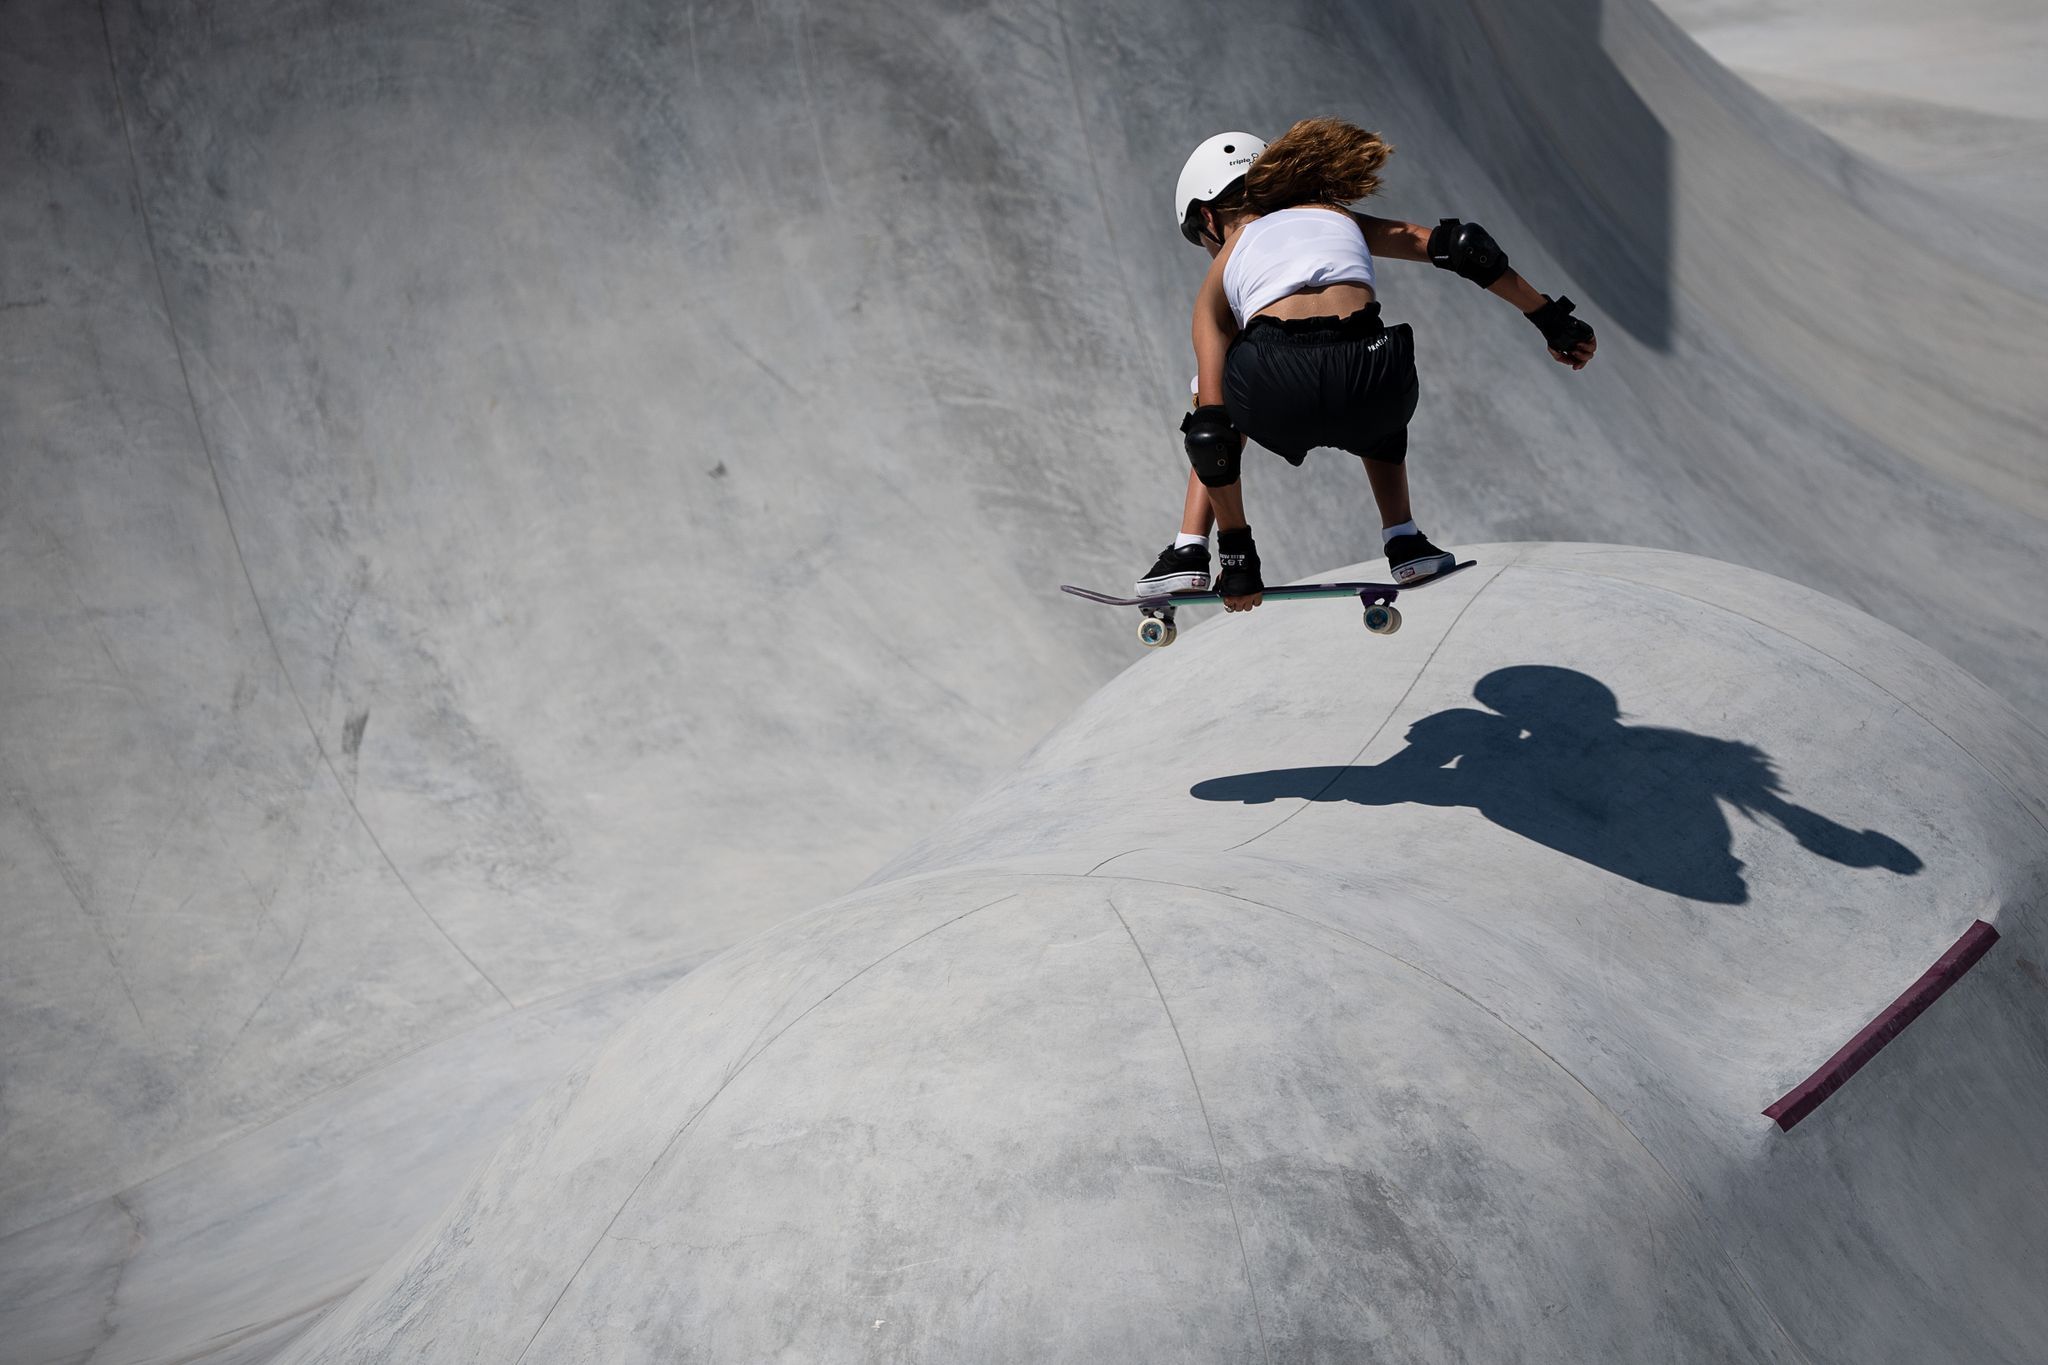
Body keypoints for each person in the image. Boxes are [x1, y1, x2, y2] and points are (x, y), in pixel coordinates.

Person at [1136, 118, 1598, 609]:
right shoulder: (1337, 216)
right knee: (1377, 359)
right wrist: (1550, 319)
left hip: (1275, 388)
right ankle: (1404, 540)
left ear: (1208, 217)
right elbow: (1464, 248)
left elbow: (1212, 436)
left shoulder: (1223, 267)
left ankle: (1191, 551)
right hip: (1372, 381)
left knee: (1211, 397)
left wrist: (1239, 562)